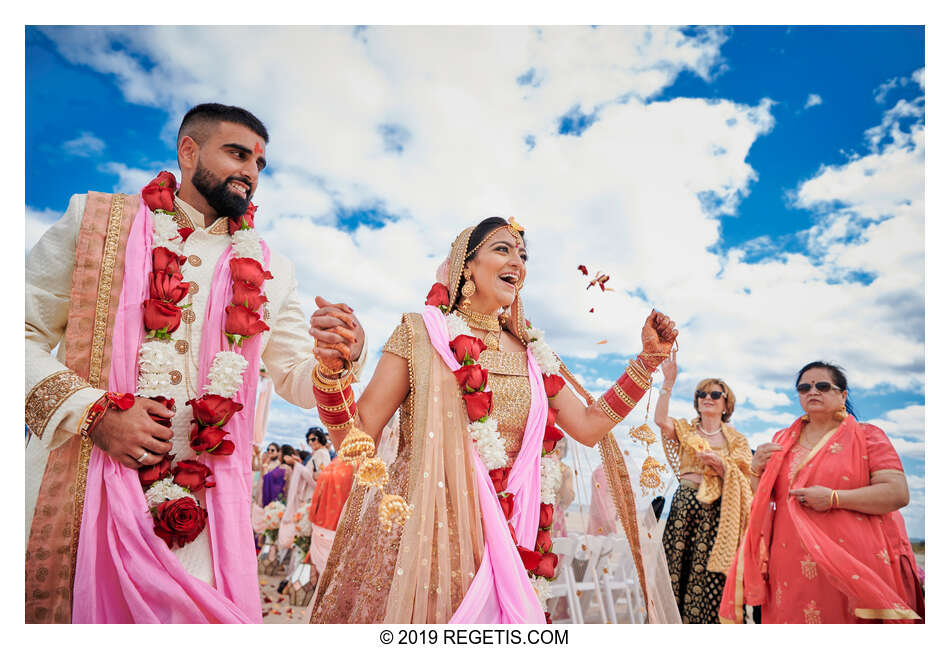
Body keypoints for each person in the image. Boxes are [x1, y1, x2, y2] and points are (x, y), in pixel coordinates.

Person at [24, 103, 367, 624]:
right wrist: (94, 412)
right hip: (88, 493)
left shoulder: (273, 268)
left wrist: (336, 359)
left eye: (260, 164)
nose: (251, 172)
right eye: (237, 153)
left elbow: (295, 373)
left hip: (208, 519)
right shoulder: (98, 224)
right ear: (188, 151)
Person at [309, 217, 678, 623]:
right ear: (465, 265)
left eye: (523, 255)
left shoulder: (532, 353)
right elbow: (356, 435)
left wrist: (647, 362)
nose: (517, 262)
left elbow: (589, 426)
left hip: (508, 543)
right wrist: (331, 373)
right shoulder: (419, 334)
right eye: (502, 249)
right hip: (425, 544)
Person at [720, 362, 923, 624]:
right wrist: (756, 470)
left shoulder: (867, 436)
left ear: (843, 395)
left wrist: (834, 499)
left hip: (851, 561)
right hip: (789, 561)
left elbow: (897, 493)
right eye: (804, 387)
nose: (812, 391)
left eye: (822, 386)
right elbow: (769, 499)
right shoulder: (782, 440)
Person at [654, 351, 753, 623]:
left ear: (726, 403)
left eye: (715, 394)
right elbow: (661, 420)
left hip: (720, 511)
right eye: (701, 394)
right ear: (696, 402)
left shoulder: (738, 440)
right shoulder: (686, 429)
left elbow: (746, 478)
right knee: (676, 566)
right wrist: (669, 381)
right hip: (685, 505)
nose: (707, 398)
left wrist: (722, 466)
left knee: (709, 573)